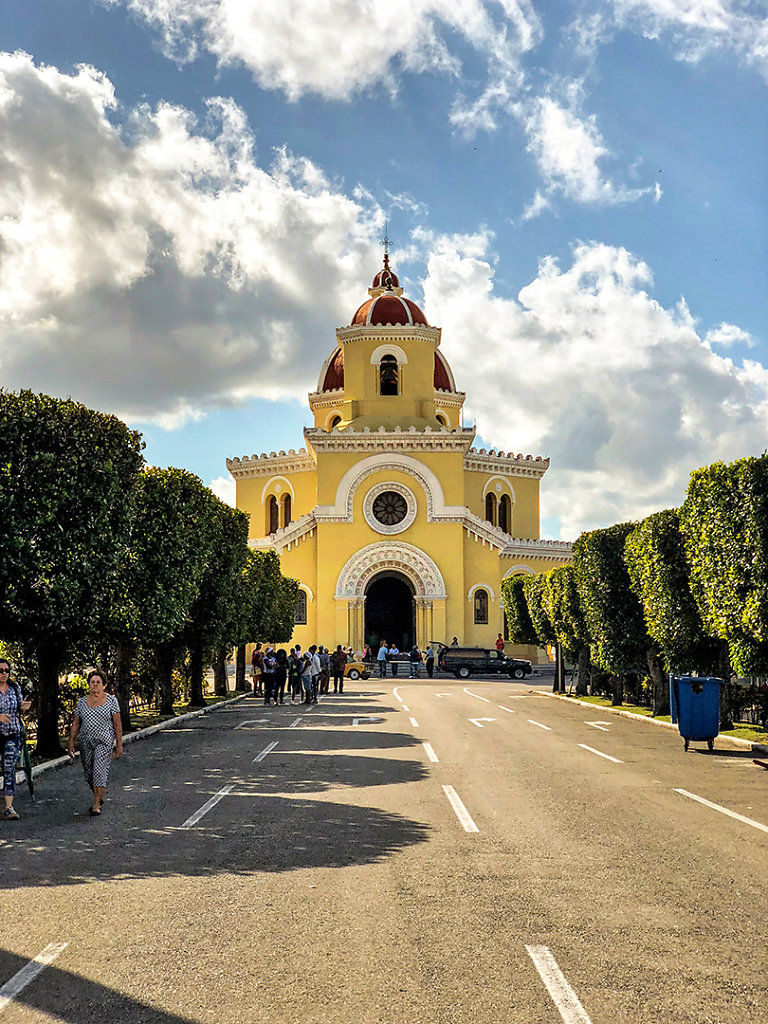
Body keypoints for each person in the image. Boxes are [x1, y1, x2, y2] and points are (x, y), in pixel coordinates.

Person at [68, 669, 122, 816]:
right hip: (86, 741)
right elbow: (76, 723)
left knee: (99, 770)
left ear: (104, 685)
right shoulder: (82, 702)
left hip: (104, 741)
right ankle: (99, 794)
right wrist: (71, 742)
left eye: (98, 682)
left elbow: (117, 724)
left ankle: (96, 804)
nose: (95, 685)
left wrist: (119, 745)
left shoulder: (111, 701)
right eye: (93, 682)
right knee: (89, 773)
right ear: (89, 685)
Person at [0, 660, 30, 821]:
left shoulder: (14, 687)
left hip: (12, 733)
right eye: (1, 670)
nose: (4, 673)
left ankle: (9, 807)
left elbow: (18, 707)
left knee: (9, 768)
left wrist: (24, 706)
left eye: (6, 670)